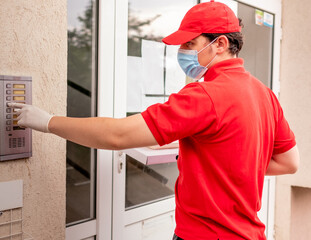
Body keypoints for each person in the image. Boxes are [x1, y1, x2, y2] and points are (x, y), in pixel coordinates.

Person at [9, 1, 299, 239]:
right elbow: (289, 162)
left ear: (220, 43)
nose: (183, 51)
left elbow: (118, 135)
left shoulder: (205, 95)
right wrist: (227, 166)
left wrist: (47, 122)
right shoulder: (265, 95)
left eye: (190, 42)